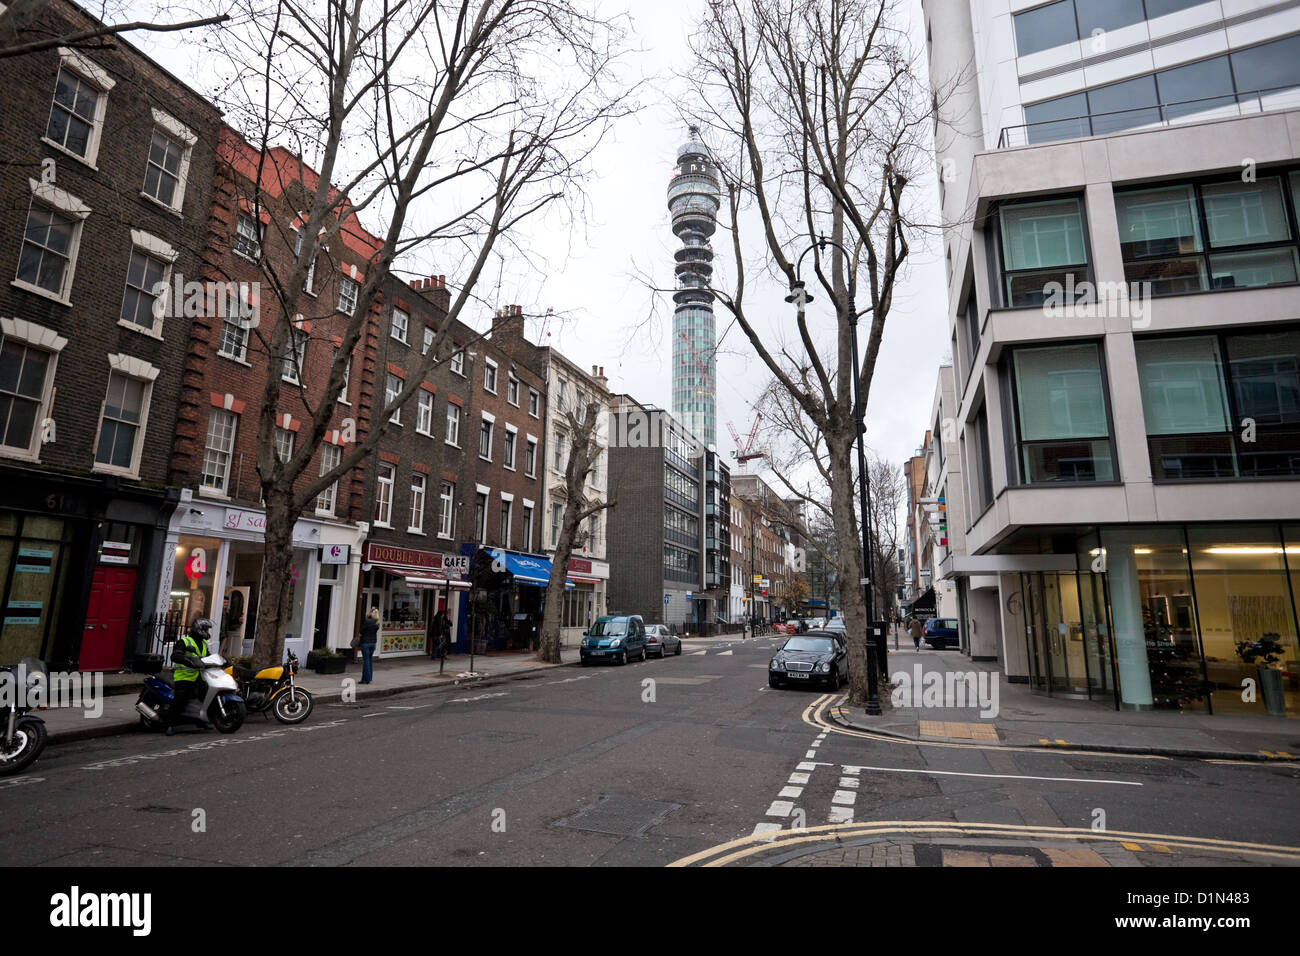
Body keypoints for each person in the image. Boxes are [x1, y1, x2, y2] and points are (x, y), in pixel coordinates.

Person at [167, 618, 214, 735]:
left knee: (205, 698)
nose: (207, 632)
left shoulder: (203, 643)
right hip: (184, 676)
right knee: (180, 698)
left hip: (199, 676)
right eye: (206, 629)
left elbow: (207, 657)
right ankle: (170, 724)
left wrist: (218, 661)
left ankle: (201, 720)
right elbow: (175, 656)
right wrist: (189, 662)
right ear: (199, 629)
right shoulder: (185, 642)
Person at [359, 607, 380, 684]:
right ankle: (368, 678)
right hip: (373, 643)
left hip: (365, 643)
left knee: (366, 661)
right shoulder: (377, 622)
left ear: (371, 613)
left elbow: (361, 631)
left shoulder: (367, 621)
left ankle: (366, 679)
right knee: (369, 660)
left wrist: (367, 617)